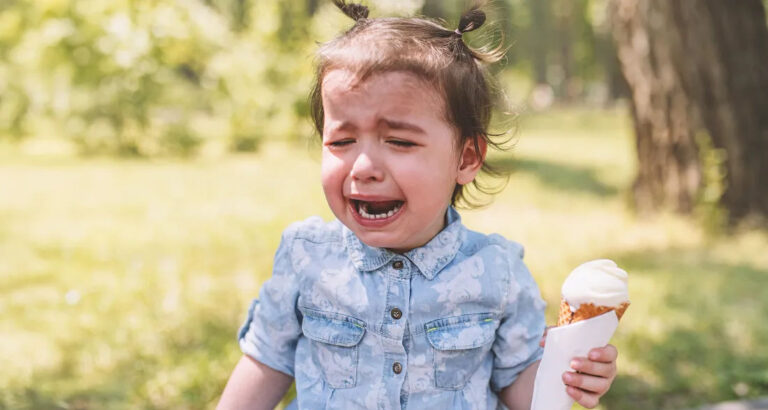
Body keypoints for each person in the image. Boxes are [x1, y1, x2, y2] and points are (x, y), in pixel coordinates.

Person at [218, 1, 618, 409]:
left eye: (400, 142)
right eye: (341, 141)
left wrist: (570, 373)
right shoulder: (307, 258)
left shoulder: (496, 273)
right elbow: (265, 363)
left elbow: (521, 389)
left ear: (465, 158)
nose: (364, 167)